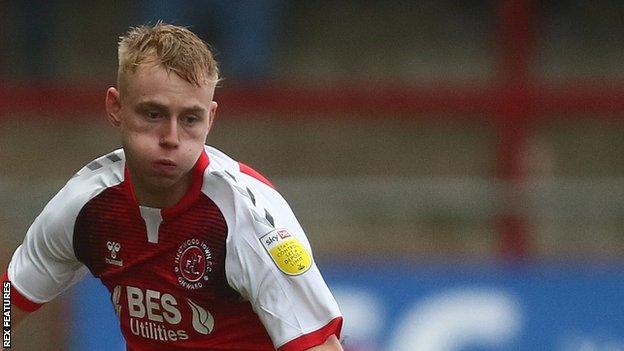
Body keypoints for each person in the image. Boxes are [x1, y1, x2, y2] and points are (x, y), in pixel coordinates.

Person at [2, 22, 343, 351]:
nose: (171, 138)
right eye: (153, 114)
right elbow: (8, 303)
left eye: (190, 119)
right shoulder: (85, 205)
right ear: (115, 107)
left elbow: (320, 345)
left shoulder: (248, 217)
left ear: (211, 119)